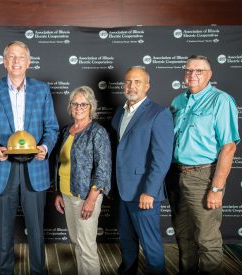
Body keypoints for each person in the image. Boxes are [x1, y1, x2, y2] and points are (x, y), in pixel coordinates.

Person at [0, 41, 59, 275]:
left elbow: (52, 128)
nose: (16, 61)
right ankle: (5, 271)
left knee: (36, 228)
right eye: (11, 57)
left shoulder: (41, 90)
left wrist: (45, 147)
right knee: (4, 230)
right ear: (4, 62)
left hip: (35, 168)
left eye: (20, 57)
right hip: (3, 168)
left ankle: (37, 271)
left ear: (28, 62)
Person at [167, 55, 239, 275]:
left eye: (199, 71)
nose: (192, 75)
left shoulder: (221, 100)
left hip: (203, 176)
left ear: (210, 75)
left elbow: (228, 147)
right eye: (189, 70)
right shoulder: (178, 101)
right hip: (176, 175)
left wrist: (216, 188)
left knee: (207, 240)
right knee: (183, 236)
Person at [111, 66, 174, 274]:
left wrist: (150, 191)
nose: (132, 86)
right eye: (128, 82)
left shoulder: (159, 113)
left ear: (147, 86)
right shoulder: (120, 112)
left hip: (144, 193)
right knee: (127, 243)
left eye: (137, 82)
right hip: (121, 191)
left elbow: (162, 158)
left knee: (150, 245)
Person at [53, 86, 111, 275]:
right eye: (75, 104)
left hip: (85, 196)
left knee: (87, 247)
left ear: (91, 107)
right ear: (70, 107)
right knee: (77, 242)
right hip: (67, 194)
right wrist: (58, 193)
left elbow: (103, 169)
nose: (78, 107)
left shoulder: (97, 132)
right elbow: (60, 164)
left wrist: (92, 199)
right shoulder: (66, 131)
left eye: (83, 104)